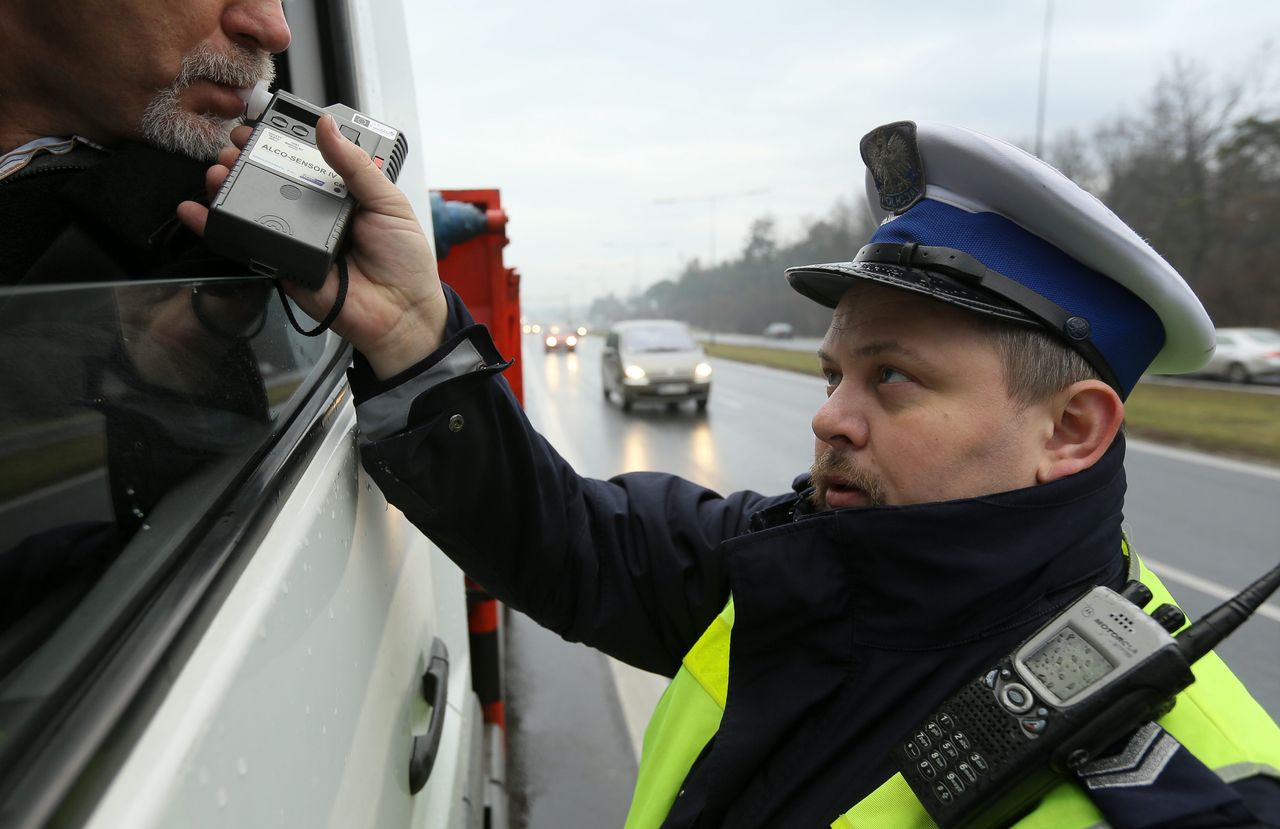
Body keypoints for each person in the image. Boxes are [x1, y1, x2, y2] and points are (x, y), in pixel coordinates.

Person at [181, 117, 1280, 827]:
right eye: (834, 370)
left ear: (1072, 431)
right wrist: (413, 329)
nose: (830, 418)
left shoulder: (1193, 791)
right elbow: (564, 537)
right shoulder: (797, 564)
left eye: (891, 379)